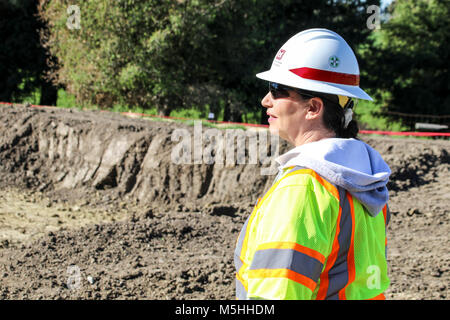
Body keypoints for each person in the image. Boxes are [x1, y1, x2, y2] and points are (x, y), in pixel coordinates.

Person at [234, 29, 391, 300]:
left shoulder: (303, 187)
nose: (265, 100)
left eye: (277, 89)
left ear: (313, 108)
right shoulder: (364, 180)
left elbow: (278, 294)